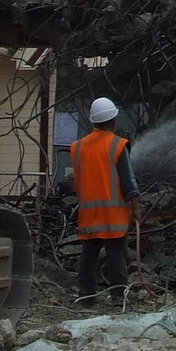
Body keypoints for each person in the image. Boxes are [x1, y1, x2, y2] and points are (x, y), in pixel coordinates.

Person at [69, 97, 139, 301]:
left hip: (89, 212)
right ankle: (118, 297)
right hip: (113, 213)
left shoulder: (78, 147)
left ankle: (85, 295)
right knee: (116, 256)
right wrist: (136, 207)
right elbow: (128, 180)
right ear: (113, 120)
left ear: (93, 121)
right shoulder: (117, 145)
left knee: (88, 255)